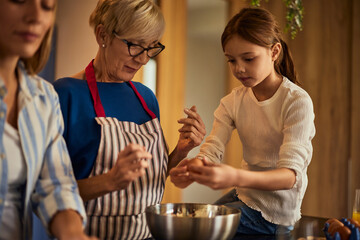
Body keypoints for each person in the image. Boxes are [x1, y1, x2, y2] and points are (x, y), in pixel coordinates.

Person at [51, 0, 206, 239]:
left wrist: (180, 153)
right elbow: (49, 192)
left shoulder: (146, 98)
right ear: (102, 35)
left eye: (151, 47)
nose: (143, 59)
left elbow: (146, 182)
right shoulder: (65, 94)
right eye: (135, 45)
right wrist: (109, 181)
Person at [170, 7, 316, 236]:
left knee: (200, 229)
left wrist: (234, 175)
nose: (239, 68)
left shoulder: (297, 102)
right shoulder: (233, 101)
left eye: (248, 58)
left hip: (275, 214)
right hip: (244, 195)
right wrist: (193, 168)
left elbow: (290, 177)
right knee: (193, 220)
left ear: (274, 51)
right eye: (231, 60)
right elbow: (212, 148)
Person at [0, 0, 97, 239]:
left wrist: (74, 234)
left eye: (47, 6)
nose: (36, 16)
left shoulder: (43, 97)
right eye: (20, 0)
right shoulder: (69, 90)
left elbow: (56, 183)